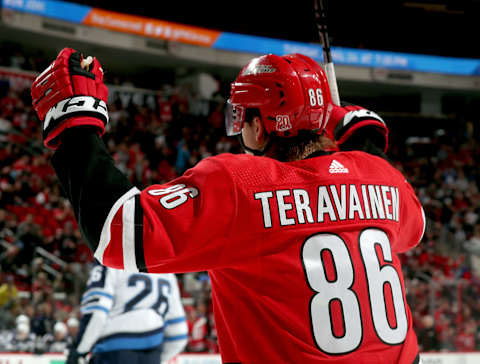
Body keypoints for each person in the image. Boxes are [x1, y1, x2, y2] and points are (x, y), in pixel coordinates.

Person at [31, 48, 425, 363]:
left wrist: (77, 125)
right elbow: (413, 227)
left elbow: (118, 232)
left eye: (244, 115)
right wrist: (364, 142)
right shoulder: (380, 176)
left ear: (261, 125)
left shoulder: (243, 184)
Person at [66, 261, 187, 364]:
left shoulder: (109, 256)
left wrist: (79, 351)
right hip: (152, 352)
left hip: (113, 352)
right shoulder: (166, 268)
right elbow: (178, 333)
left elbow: (96, 312)